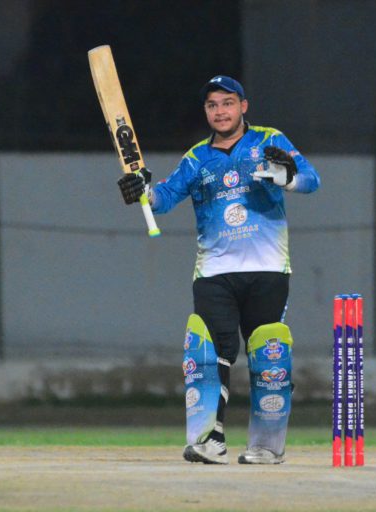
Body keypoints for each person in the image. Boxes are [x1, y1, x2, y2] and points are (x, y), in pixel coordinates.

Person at [117, 75, 320, 464]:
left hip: (268, 267)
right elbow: (164, 197)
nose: (220, 111)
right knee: (208, 350)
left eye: (228, 103)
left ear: (243, 106)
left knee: (268, 349)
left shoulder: (269, 140)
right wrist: (143, 191)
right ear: (206, 111)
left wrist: (288, 177)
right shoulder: (196, 158)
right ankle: (210, 440)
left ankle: (267, 446)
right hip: (214, 271)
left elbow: (313, 179)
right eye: (212, 105)